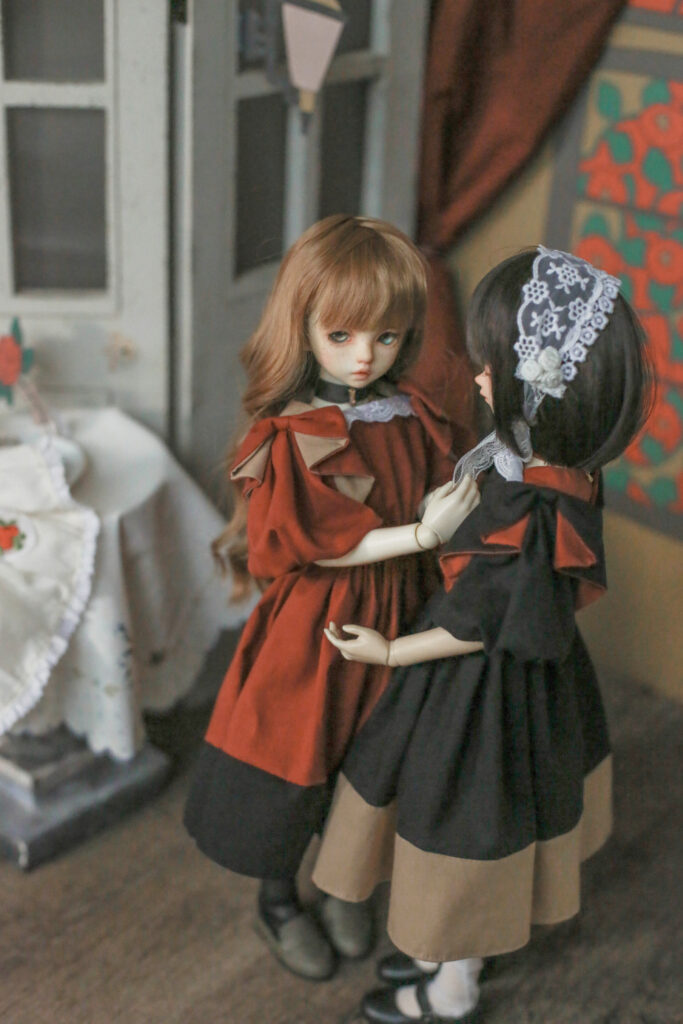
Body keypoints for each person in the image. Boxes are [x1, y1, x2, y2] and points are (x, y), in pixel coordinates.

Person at [318, 245, 653, 1023]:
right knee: (459, 818)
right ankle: (441, 950)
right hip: (520, 669)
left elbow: (484, 618)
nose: (476, 379)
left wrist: (392, 650)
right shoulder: (545, 465)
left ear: (540, 385)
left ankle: (452, 986)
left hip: (482, 684)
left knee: (461, 824)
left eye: (492, 368)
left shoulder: (532, 502)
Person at [183, 215, 479, 982]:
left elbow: (436, 489)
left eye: (384, 336)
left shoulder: (410, 415)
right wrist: (420, 533)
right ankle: (277, 898)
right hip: (316, 628)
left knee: (371, 760)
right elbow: (316, 541)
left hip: (401, 613)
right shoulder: (295, 434)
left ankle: (342, 879)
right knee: (296, 759)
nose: (363, 355)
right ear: (304, 325)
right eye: (341, 335)